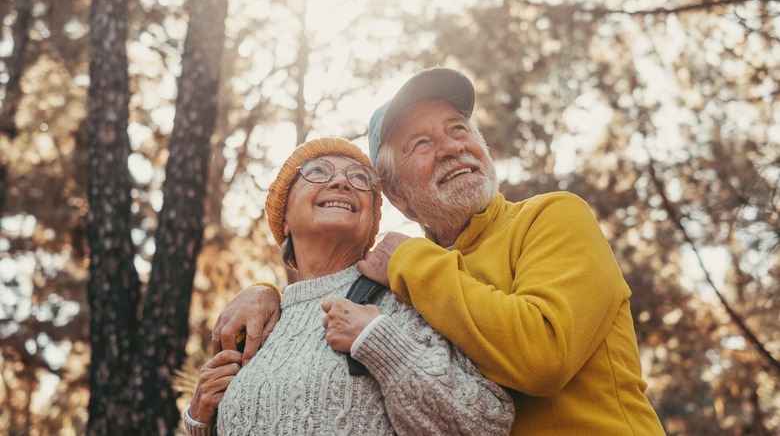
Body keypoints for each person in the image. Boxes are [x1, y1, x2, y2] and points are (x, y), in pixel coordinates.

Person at [214, 68, 668, 435]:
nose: (453, 147)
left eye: (458, 128)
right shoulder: (395, 287)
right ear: (395, 196)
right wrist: (268, 294)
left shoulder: (552, 217)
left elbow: (544, 357)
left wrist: (408, 261)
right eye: (422, 143)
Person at [184, 137, 514, 435]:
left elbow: (487, 423)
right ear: (283, 216)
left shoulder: (403, 301)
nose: (342, 181)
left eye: (360, 179)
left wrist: (383, 344)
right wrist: (200, 423)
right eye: (317, 171)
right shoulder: (255, 325)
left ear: (372, 221)